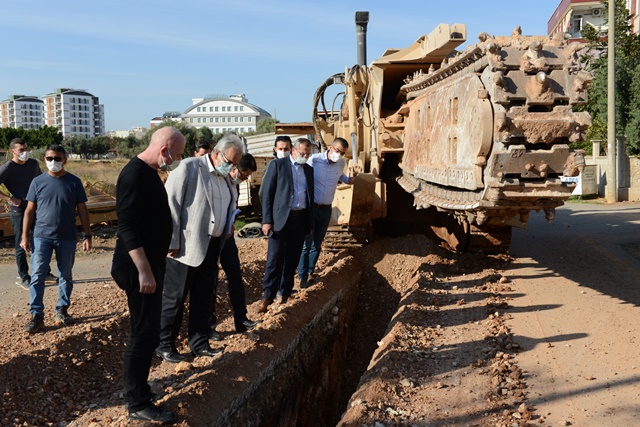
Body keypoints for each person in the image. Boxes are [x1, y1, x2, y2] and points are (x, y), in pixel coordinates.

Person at [111, 126, 185, 423]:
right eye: (177, 154)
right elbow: (127, 227)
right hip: (137, 268)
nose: (177, 160)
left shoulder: (149, 172)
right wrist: (144, 271)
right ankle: (136, 403)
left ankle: (141, 390)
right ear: (164, 149)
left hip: (150, 263)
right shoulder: (134, 175)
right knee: (143, 334)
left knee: (149, 330)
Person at [156, 134, 243, 363]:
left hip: (213, 246)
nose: (231, 167)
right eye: (230, 161)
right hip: (185, 247)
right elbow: (171, 205)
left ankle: (199, 343)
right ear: (217, 153)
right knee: (175, 299)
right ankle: (165, 345)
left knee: (204, 297)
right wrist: (172, 241)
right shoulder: (189, 167)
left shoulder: (225, 178)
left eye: (235, 164)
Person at [21, 145, 92, 333]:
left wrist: (87, 235)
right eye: (49, 158)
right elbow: (29, 211)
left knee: (65, 275)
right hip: (41, 237)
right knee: (37, 276)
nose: (53, 162)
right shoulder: (37, 182)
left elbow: (83, 210)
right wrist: (24, 236)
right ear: (44, 160)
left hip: (67, 237)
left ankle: (62, 310)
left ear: (65, 160)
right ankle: (37, 316)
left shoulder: (74, 182)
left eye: (57, 158)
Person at [259, 138, 314, 313]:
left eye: (308, 154)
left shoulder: (309, 170)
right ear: (294, 151)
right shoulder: (277, 165)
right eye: (303, 153)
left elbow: (310, 197)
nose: (305, 156)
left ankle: (285, 291)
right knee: (274, 258)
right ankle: (268, 295)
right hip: (280, 219)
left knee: (292, 257)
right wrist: (267, 220)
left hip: (300, 219)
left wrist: (309, 223)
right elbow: (266, 194)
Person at [208, 153, 259, 337]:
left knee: (236, 277)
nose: (244, 179)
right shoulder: (217, 181)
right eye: (244, 175)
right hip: (213, 238)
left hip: (228, 238)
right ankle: (209, 327)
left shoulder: (234, 185)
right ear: (235, 168)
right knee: (211, 282)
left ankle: (241, 319)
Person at [297, 137, 354, 288]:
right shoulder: (314, 160)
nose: (339, 155)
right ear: (330, 147)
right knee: (306, 244)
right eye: (337, 150)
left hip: (326, 209)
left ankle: (310, 272)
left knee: (317, 244)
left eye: (342, 153)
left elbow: (340, 175)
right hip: (311, 209)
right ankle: (302, 276)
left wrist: (348, 180)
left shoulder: (341, 163)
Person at [0, 138, 55, 289]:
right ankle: (24, 276)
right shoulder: (7, 168)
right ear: (12, 151)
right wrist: (9, 199)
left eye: (26, 149)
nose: (25, 152)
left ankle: (45, 272)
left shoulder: (33, 164)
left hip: (37, 208)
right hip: (19, 211)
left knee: (42, 241)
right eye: (21, 150)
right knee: (21, 244)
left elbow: (42, 180)